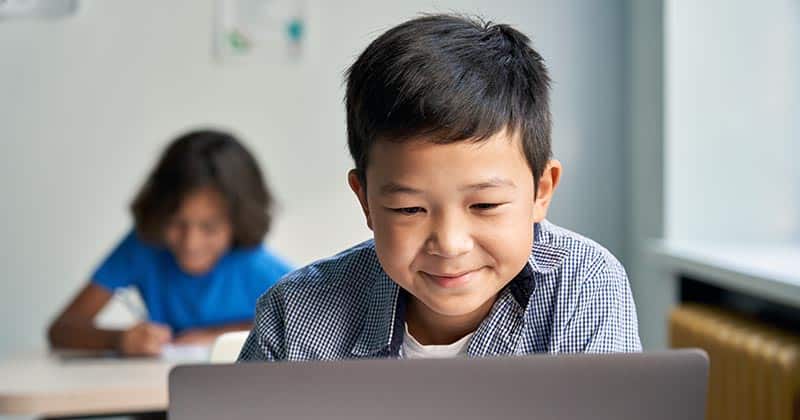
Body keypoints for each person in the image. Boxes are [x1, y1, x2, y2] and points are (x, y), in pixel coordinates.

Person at [239, 14, 640, 362]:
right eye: (409, 209)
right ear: (365, 201)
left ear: (541, 192)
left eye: (485, 205)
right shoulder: (295, 314)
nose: (449, 244)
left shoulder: (584, 284)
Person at [49, 130, 292, 357]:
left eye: (209, 228)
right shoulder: (143, 247)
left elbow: (306, 325)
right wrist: (119, 339)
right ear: (158, 213)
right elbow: (62, 329)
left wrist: (216, 336)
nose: (191, 243)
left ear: (239, 222)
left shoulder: (258, 266)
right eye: (176, 223)